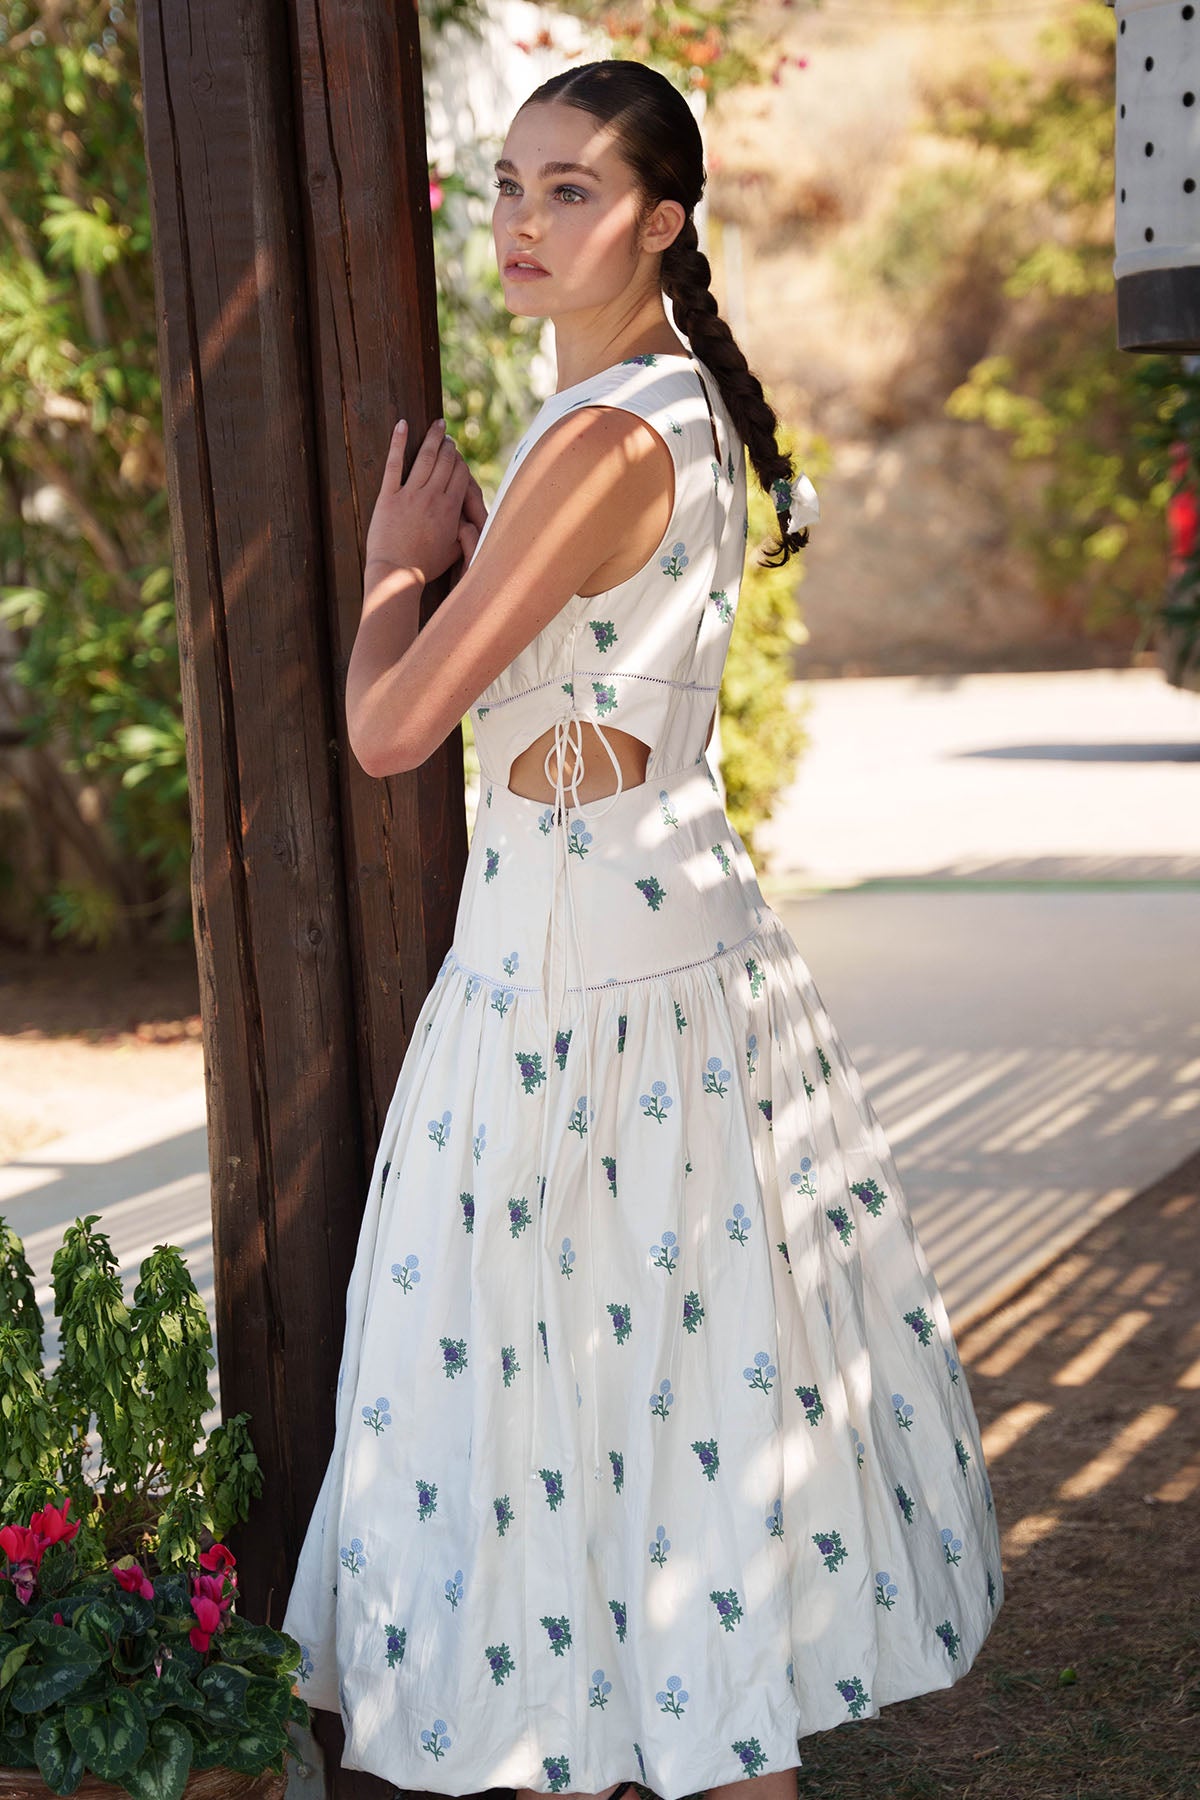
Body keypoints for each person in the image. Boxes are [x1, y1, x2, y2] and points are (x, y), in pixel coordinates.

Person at [282, 58, 1002, 1800]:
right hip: (651, 974)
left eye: (572, 193)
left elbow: (391, 730)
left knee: (607, 1437)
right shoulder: (659, 407)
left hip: (576, 999)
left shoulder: (609, 438)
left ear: (662, 225)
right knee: (672, 1444)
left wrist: (395, 566)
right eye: (512, 186)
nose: (526, 223)